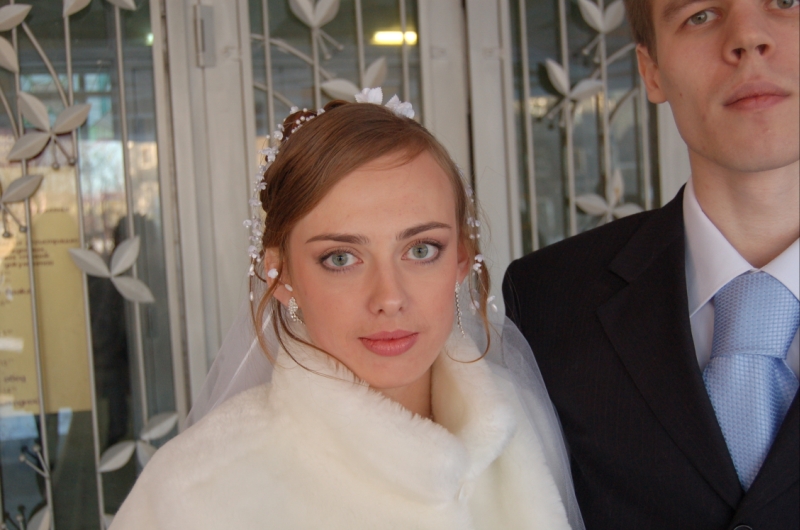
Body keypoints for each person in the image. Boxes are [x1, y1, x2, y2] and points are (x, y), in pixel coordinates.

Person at [110, 91, 584, 529]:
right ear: (280, 275)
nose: (389, 297)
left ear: (461, 258)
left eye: (421, 250)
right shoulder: (193, 493)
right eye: (341, 258)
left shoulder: (517, 426)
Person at [503, 0, 798, 527]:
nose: (748, 38)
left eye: (786, 1)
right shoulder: (546, 298)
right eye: (700, 14)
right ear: (651, 70)